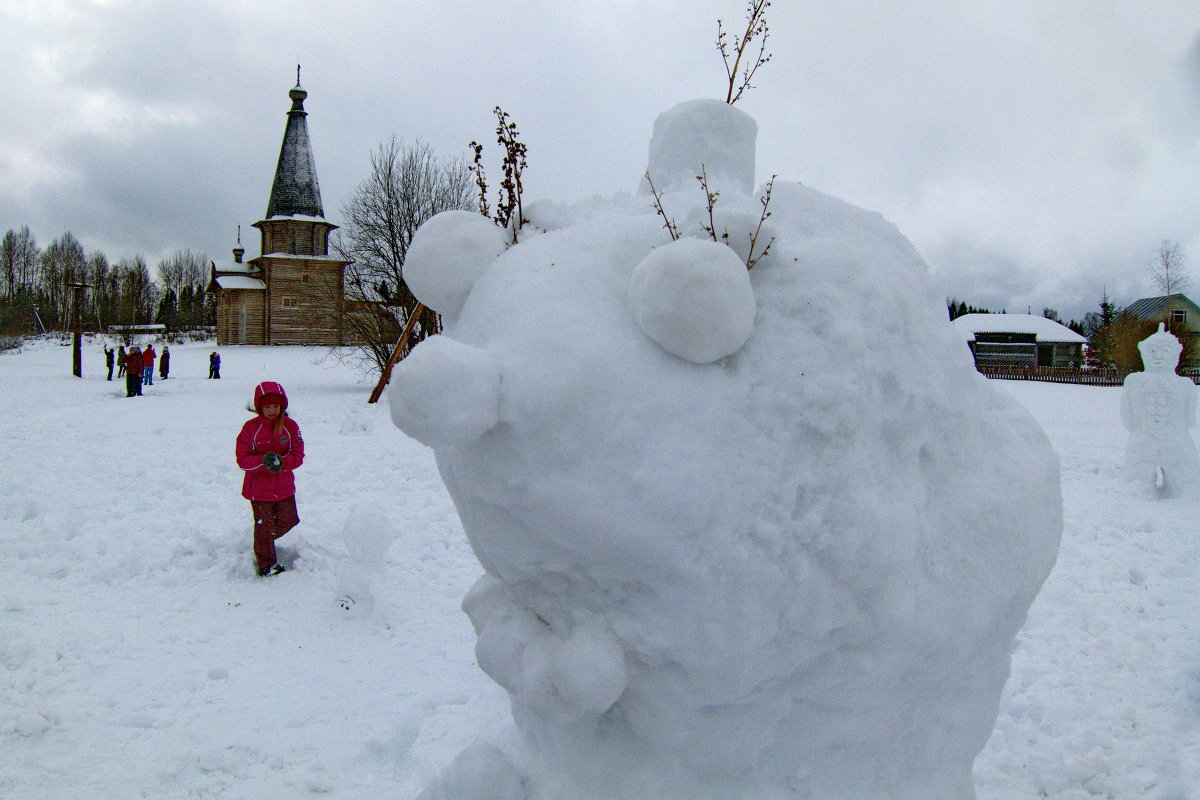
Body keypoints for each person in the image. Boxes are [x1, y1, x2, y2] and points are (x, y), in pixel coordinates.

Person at [235, 381, 305, 576]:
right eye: (268, 406)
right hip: (259, 490)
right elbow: (243, 459)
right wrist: (263, 461)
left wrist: (282, 462)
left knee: (289, 520)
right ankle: (267, 564)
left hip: (284, 487)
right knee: (264, 525)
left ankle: (262, 541)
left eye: (276, 406)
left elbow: (298, 455)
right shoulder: (251, 428)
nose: (272, 410)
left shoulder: (290, 427)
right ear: (260, 407)